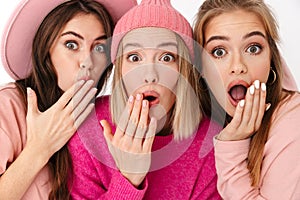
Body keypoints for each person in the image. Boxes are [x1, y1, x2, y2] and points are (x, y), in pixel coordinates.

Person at [68, 0, 222, 199]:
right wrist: (129, 178)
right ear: (119, 70)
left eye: (166, 57)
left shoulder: (210, 145)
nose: (149, 75)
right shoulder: (88, 127)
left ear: (184, 71)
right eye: (134, 57)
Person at [0, 0, 136, 199]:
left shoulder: (100, 121)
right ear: (47, 47)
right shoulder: (9, 106)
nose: (86, 62)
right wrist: (39, 148)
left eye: (99, 48)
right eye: (71, 44)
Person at [193, 0, 300, 199]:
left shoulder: (294, 122)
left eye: (252, 48)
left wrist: (232, 145)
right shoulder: (202, 125)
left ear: (272, 60)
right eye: (219, 52)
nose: (238, 66)